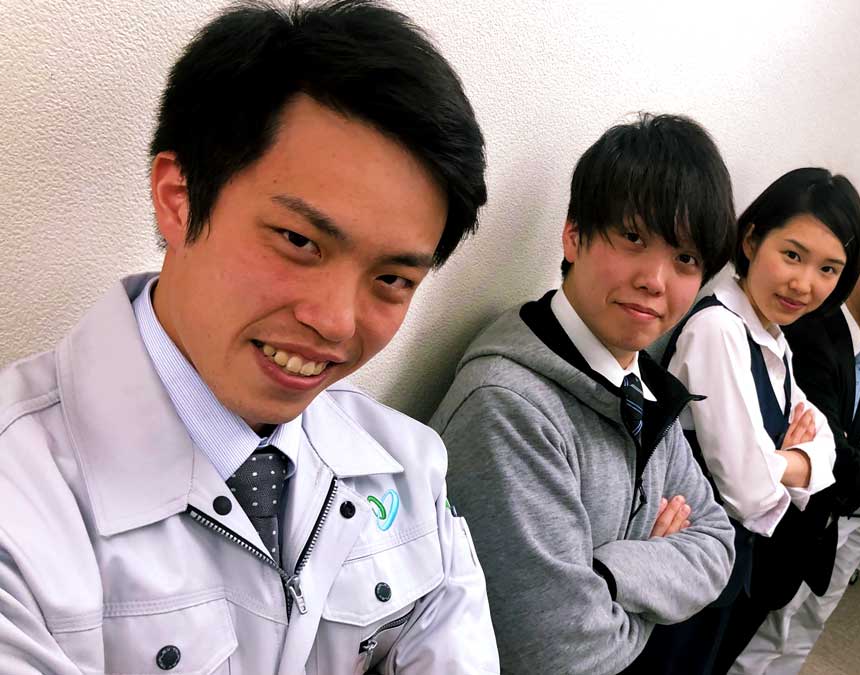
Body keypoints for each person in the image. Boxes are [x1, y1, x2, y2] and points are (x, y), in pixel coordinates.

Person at [0, 2, 498, 672]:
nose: (335, 322)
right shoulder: (19, 498)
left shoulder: (409, 466)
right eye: (298, 241)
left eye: (391, 279)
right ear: (178, 197)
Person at [429, 114, 737, 675]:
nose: (655, 280)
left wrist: (611, 573)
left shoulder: (643, 384)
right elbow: (559, 653)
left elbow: (718, 545)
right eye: (634, 238)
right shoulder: (508, 406)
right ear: (573, 235)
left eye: (686, 259)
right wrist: (658, 582)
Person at [659, 167, 860, 673]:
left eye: (828, 269)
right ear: (751, 240)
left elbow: (827, 446)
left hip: (727, 567)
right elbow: (748, 492)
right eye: (792, 255)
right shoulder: (718, 329)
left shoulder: (773, 336)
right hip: (683, 563)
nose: (804, 284)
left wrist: (777, 460)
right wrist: (791, 460)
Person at [735, 197, 860, 673]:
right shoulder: (811, 333)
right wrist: (848, 458)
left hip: (813, 532)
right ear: (856, 257)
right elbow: (838, 461)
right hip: (765, 534)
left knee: (779, 644)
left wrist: (848, 457)